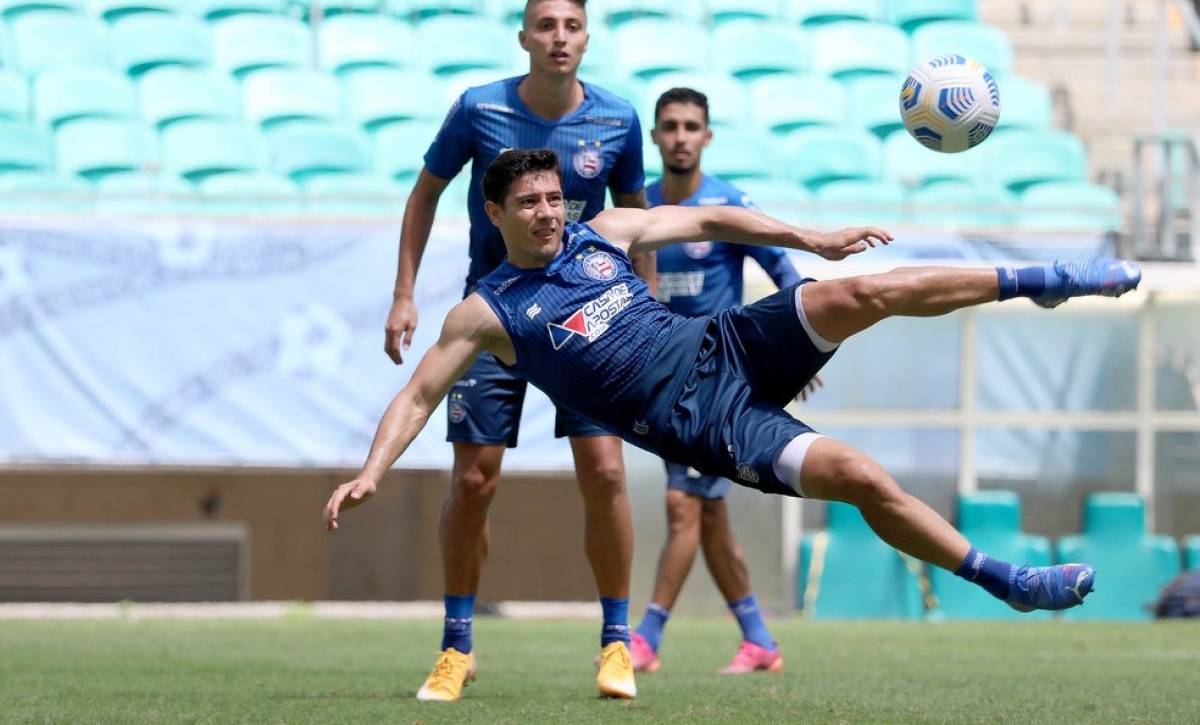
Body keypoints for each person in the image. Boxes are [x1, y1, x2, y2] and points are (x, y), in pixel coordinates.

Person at [329, 148, 1142, 680]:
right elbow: (418, 394)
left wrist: (811, 239)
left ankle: (1041, 279)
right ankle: (1008, 583)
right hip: (706, 425)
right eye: (528, 203)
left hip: (725, 343)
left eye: (553, 198)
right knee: (861, 477)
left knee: (864, 289)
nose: (547, 212)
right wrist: (372, 471)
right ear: (495, 214)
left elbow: (713, 218)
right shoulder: (488, 310)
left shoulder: (602, 233)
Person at [381, 0, 651, 701]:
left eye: (571, 24)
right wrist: (405, 293)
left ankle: (616, 643)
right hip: (496, 318)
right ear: (524, 37)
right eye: (545, 24)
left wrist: (645, 310)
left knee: (606, 473)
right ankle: (456, 646)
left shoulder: (618, 119)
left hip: (587, 318)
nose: (559, 36)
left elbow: (639, 219)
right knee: (473, 481)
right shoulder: (480, 108)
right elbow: (425, 193)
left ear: (586, 37)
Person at [629, 87, 802, 675]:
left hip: (715, 380)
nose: (680, 137)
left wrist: (793, 354)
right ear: (655, 136)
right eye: (670, 126)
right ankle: (759, 640)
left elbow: (785, 272)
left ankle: (647, 639)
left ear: (707, 136)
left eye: (690, 126)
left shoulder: (729, 204)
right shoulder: (639, 205)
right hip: (660, 378)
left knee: (683, 504)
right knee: (707, 513)